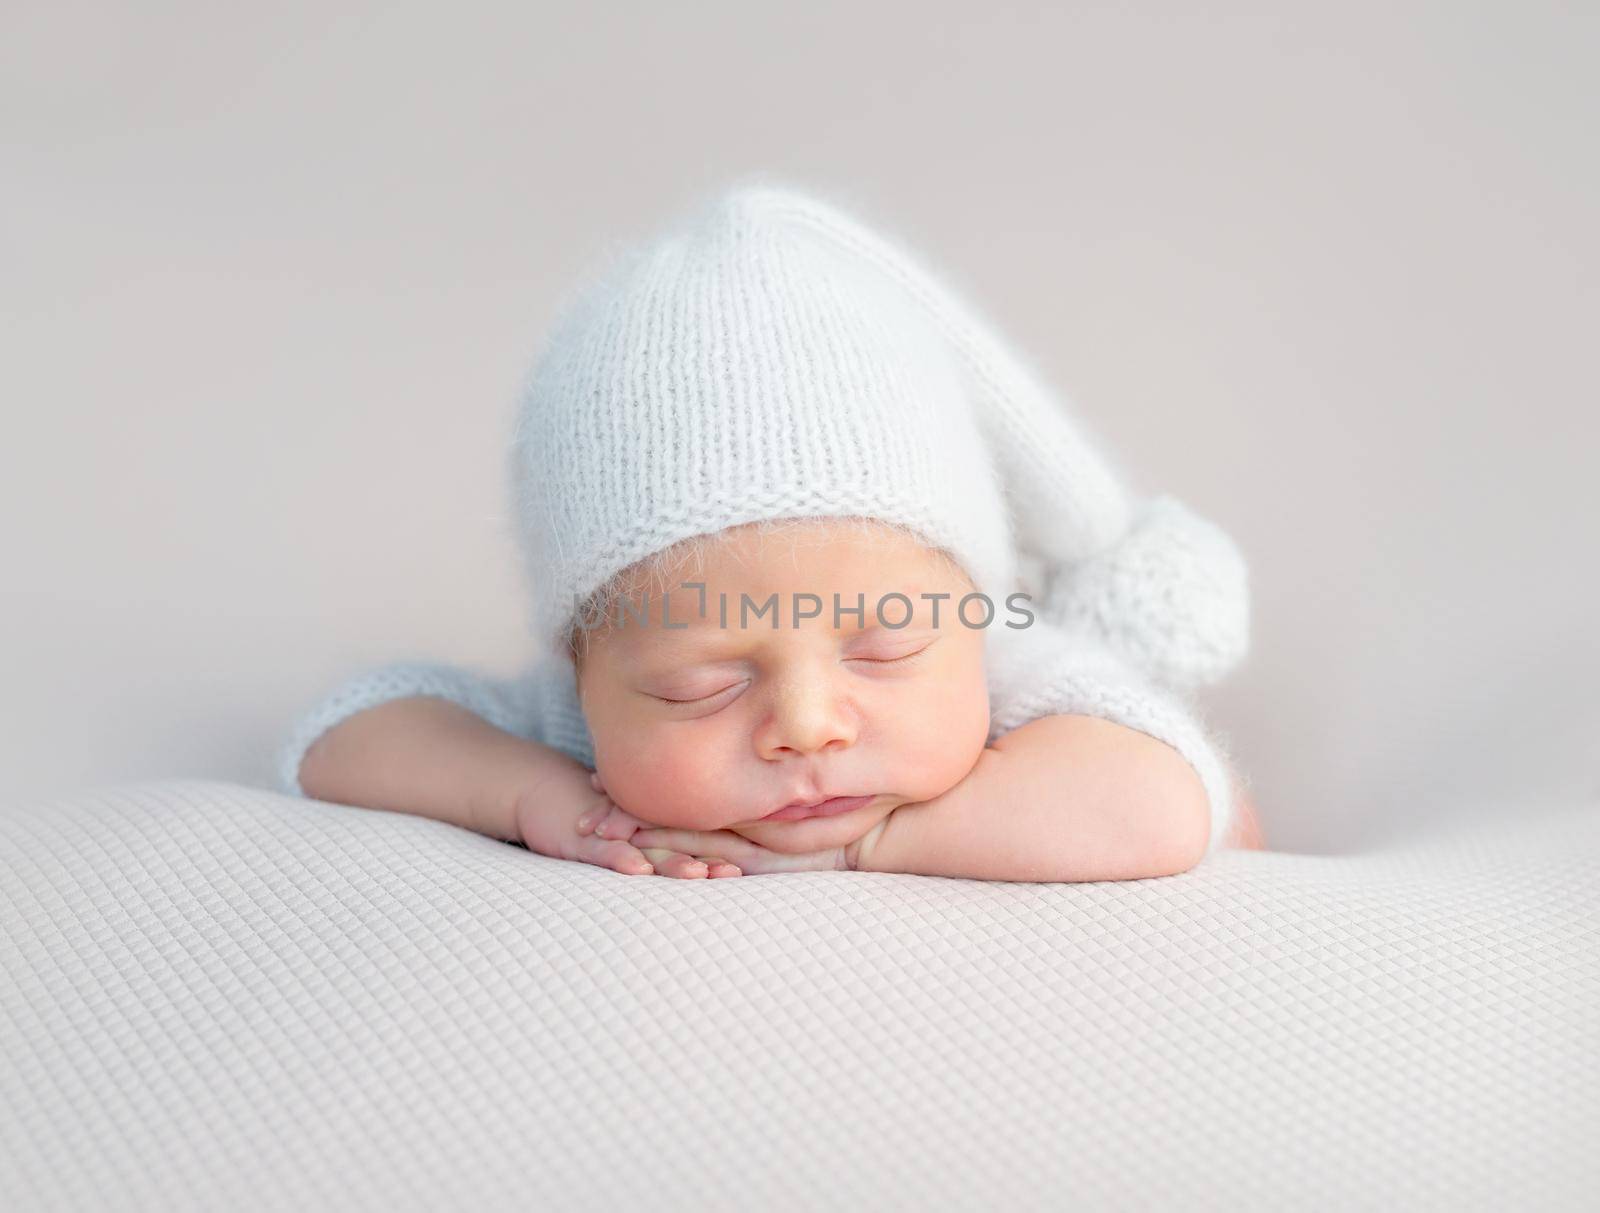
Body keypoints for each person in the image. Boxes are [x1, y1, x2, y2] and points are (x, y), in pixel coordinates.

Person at [281, 180, 1262, 880]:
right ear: (585, 668)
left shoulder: (1009, 681)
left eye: (883, 650)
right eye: (700, 683)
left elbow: (1161, 804)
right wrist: (534, 795)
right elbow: (343, 736)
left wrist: (865, 844)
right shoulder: (584, 735)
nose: (805, 724)